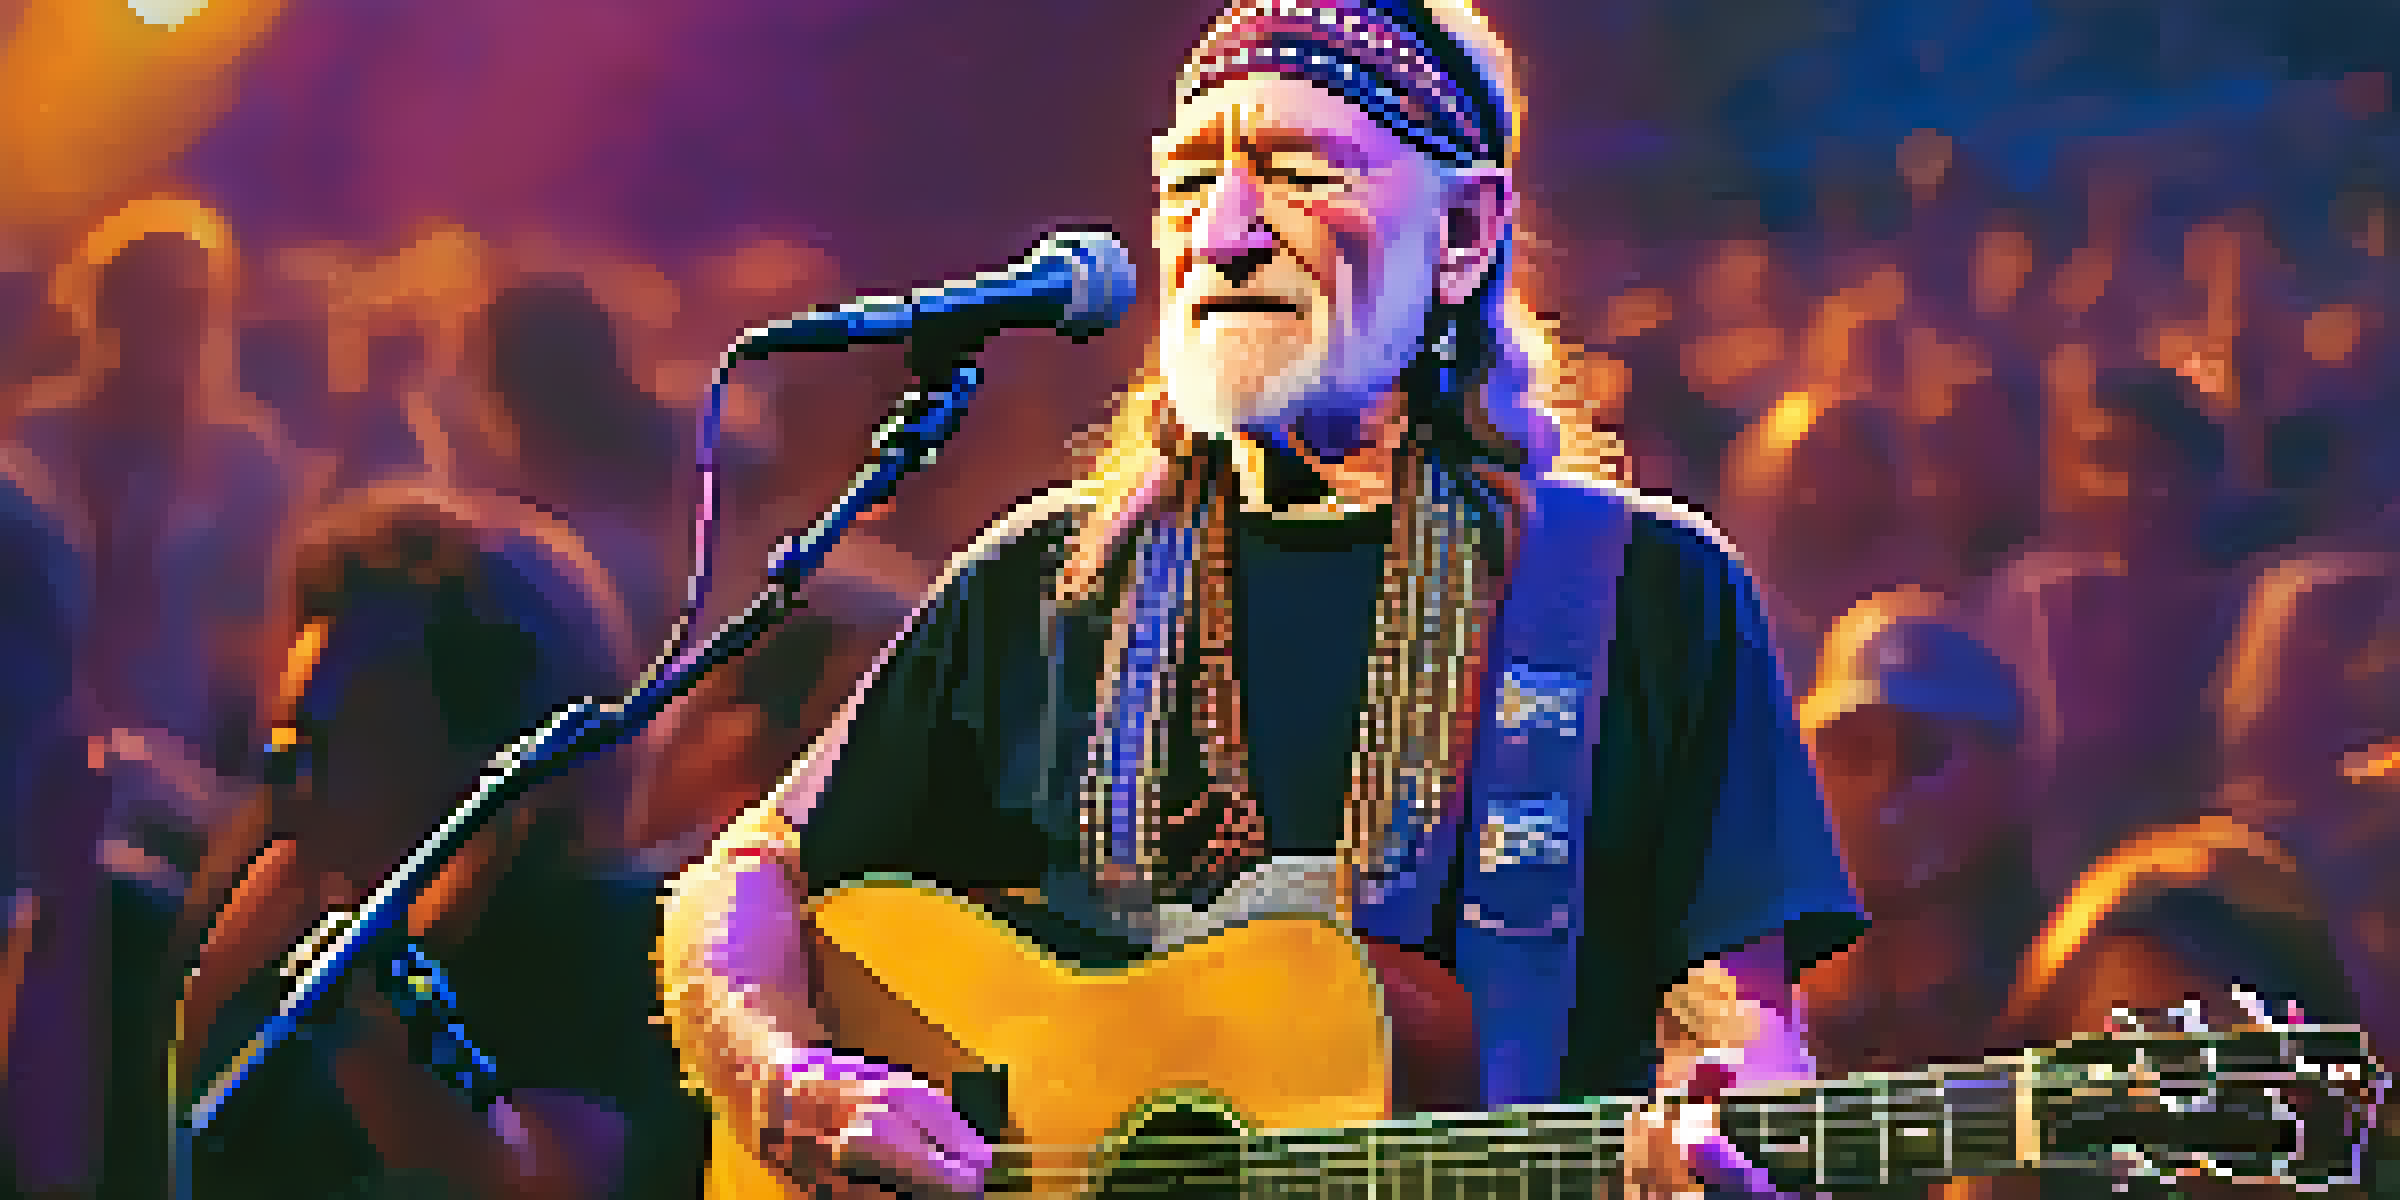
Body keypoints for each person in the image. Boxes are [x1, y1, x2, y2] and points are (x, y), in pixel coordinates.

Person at [658, 3, 1867, 1197]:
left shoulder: (1644, 591)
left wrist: (1729, 1130)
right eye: (1188, 182)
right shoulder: (1044, 582)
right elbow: (748, 873)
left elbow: (1735, 1027)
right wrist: (784, 1084)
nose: (1223, 231)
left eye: (1297, 171)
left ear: (1463, 230)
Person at [170, 480, 699, 1200]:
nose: (291, 782)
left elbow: (548, 1181)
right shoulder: (277, 945)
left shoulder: (613, 940)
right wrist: (206, 1009)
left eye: (332, 737)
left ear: (493, 756)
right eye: (287, 740)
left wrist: (355, 1002)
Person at [1795, 588, 2048, 1081]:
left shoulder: (2058, 988)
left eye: (1926, 753)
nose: (1885, 789)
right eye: (1854, 752)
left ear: (2007, 779)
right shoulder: (1760, 992)